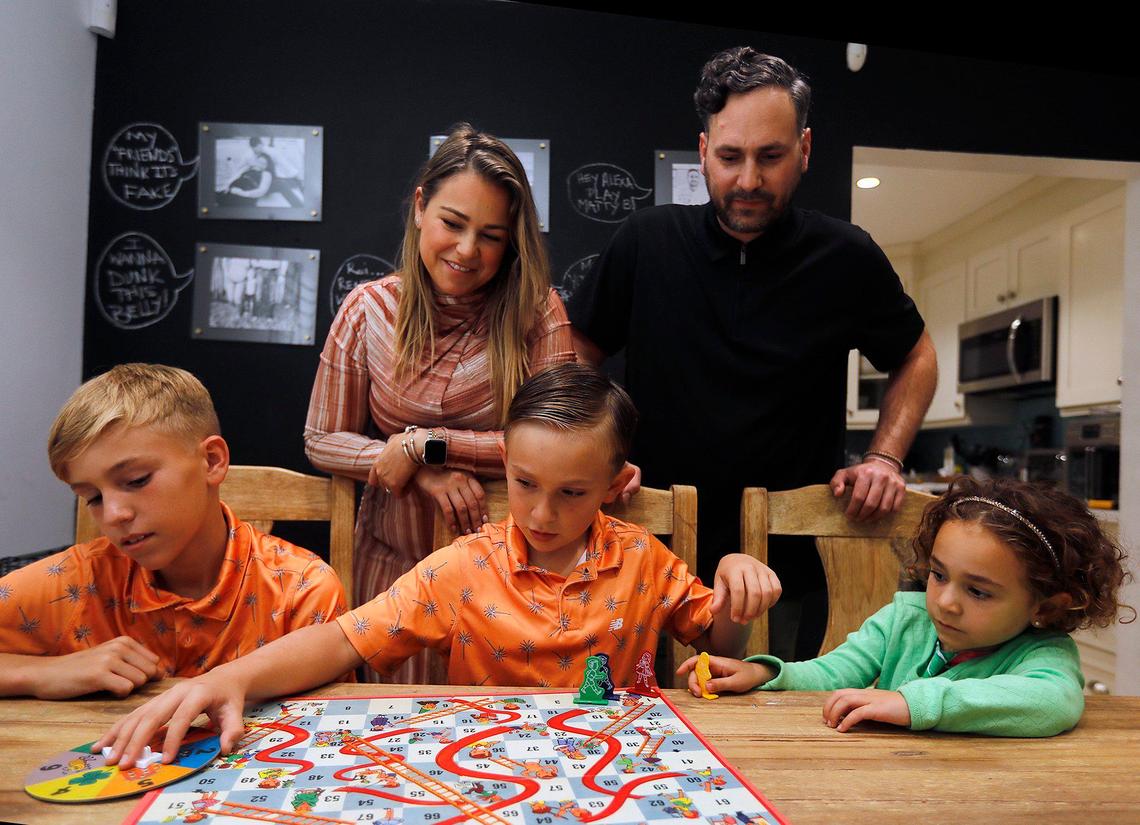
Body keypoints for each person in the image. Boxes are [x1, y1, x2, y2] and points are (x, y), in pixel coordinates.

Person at [96, 363, 781, 768]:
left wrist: (737, 594)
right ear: (506, 465)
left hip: (612, 770)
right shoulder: (465, 564)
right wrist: (232, 676)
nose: (541, 513)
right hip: (487, 771)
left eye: (571, 492)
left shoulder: (643, 557)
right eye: (523, 482)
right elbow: (341, 638)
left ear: (614, 482)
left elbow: (716, 645)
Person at [569, 47, 937, 658]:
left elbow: (915, 355)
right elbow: (576, 347)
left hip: (789, 566)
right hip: (646, 557)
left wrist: (886, 458)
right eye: (730, 156)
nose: (748, 181)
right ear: (704, 150)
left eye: (771, 157)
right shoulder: (646, 243)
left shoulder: (845, 256)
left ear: (805, 150)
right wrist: (593, 454)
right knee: (644, 726)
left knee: (778, 726)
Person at [304, 124, 576, 683]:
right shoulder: (367, 309)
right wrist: (422, 473)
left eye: (492, 235)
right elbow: (321, 439)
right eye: (453, 223)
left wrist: (426, 445)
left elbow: (564, 446)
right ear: (421, 207)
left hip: (511, 574)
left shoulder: (539, 312)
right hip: (390, 563)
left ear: (514, 241)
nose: (467, 250)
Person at [678, 477, 1132, 737]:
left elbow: (1053, 703)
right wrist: (766, 674)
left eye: (979, 591)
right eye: (938, 574)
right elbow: (832, 673)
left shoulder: (1043, 654)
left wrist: (911, 702)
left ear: (1047, 607)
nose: (945, 602)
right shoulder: (904, 618)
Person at [0, 364, 347, 699]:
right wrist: (44, 673)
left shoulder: (299, 591)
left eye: (137, 481)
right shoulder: (75, 581)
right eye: (93, 497)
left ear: (211, 461)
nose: (114, 514)